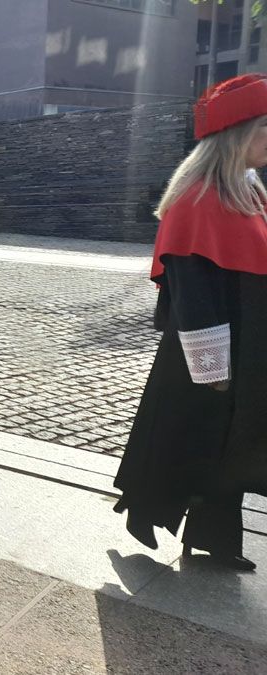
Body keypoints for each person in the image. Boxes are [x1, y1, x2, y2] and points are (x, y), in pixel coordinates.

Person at [113, 74, 267, 573]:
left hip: (248, 350)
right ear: (238, 134)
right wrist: (214, 371)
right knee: (195, 442)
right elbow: (194, 300)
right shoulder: (196, 200)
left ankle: (219, 541)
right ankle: (168, 521)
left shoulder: (250, 191)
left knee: (230, 450)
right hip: (212, 358)